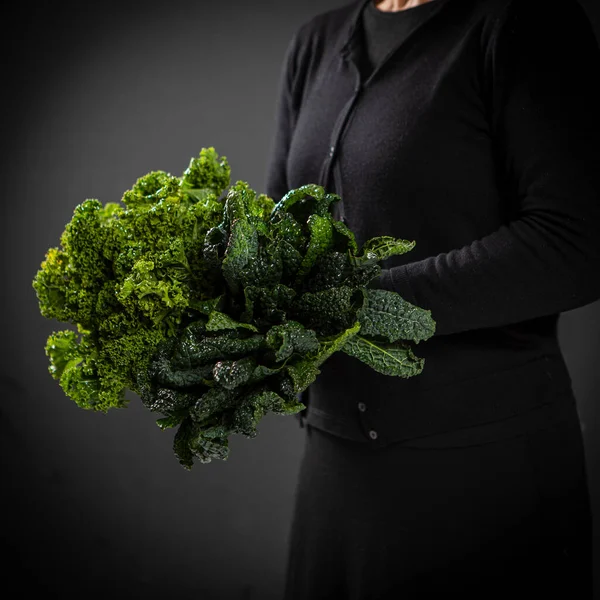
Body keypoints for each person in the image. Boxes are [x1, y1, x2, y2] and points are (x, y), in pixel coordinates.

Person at [265, 0, 600, 598]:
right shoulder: (316, 42)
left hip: (481, 469)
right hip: (335, 463)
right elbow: (276, 238)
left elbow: (574, 241)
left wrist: (359, 305)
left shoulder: (522, 24)